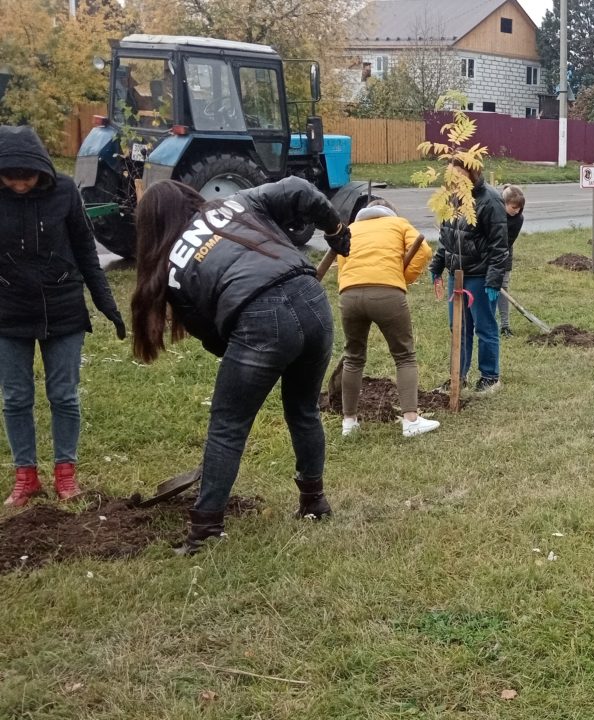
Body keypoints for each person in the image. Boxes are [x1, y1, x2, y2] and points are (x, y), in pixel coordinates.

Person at [131, 176, 352, 554]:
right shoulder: (238, 204)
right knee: (303, 410)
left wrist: (256, 356)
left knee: (228, 426)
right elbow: (299, 188)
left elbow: (212, 335)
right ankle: (314, 503)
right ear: (189, 198)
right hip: (312, 299)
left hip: (257, 317)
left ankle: (205, 531)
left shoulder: (172, 265)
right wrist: (334, 228)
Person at [0, 126, 127, 507]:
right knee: (16, 398)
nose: (20, 184)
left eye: (27, 176)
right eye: (10, 177)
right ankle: (26, 477)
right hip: (8, 313)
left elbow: (87, 252)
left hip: (63, 309)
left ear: (41, 169)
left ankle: (65, 474)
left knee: (64, 396)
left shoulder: (64, 191)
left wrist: (108, 307)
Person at [335, 199, 437, 438]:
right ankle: (411, 421)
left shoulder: (351, 229)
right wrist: (404, 277)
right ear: (391, 211)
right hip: (387, 292)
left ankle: (349, 422)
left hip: (348, 294)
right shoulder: (398, 224)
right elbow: (423, 250)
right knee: (404, 356)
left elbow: (342, 260)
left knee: (353, 357)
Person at [428, 161, 510, 392]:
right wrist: (437, 265)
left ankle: (489, 377)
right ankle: (458, 376)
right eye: (451, 176)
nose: (454, 181)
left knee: (484, 326)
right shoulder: (451, 198)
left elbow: (499, 245)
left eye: (459, 175)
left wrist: (493, 280)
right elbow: (447, 238)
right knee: (458, 328)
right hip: (457, 274)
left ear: (471, 172)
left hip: (480, 275)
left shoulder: (490, 200)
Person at [497, 185, 525, 337]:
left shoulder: (518, 219)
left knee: (503, 287)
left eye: (520, 208)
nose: (517, 211)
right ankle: (484, 324)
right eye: (514, 207)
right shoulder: (493, 212)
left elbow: (506, 243)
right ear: (504, 203)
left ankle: (505, 326)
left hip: (504, 253)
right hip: (484, 254)